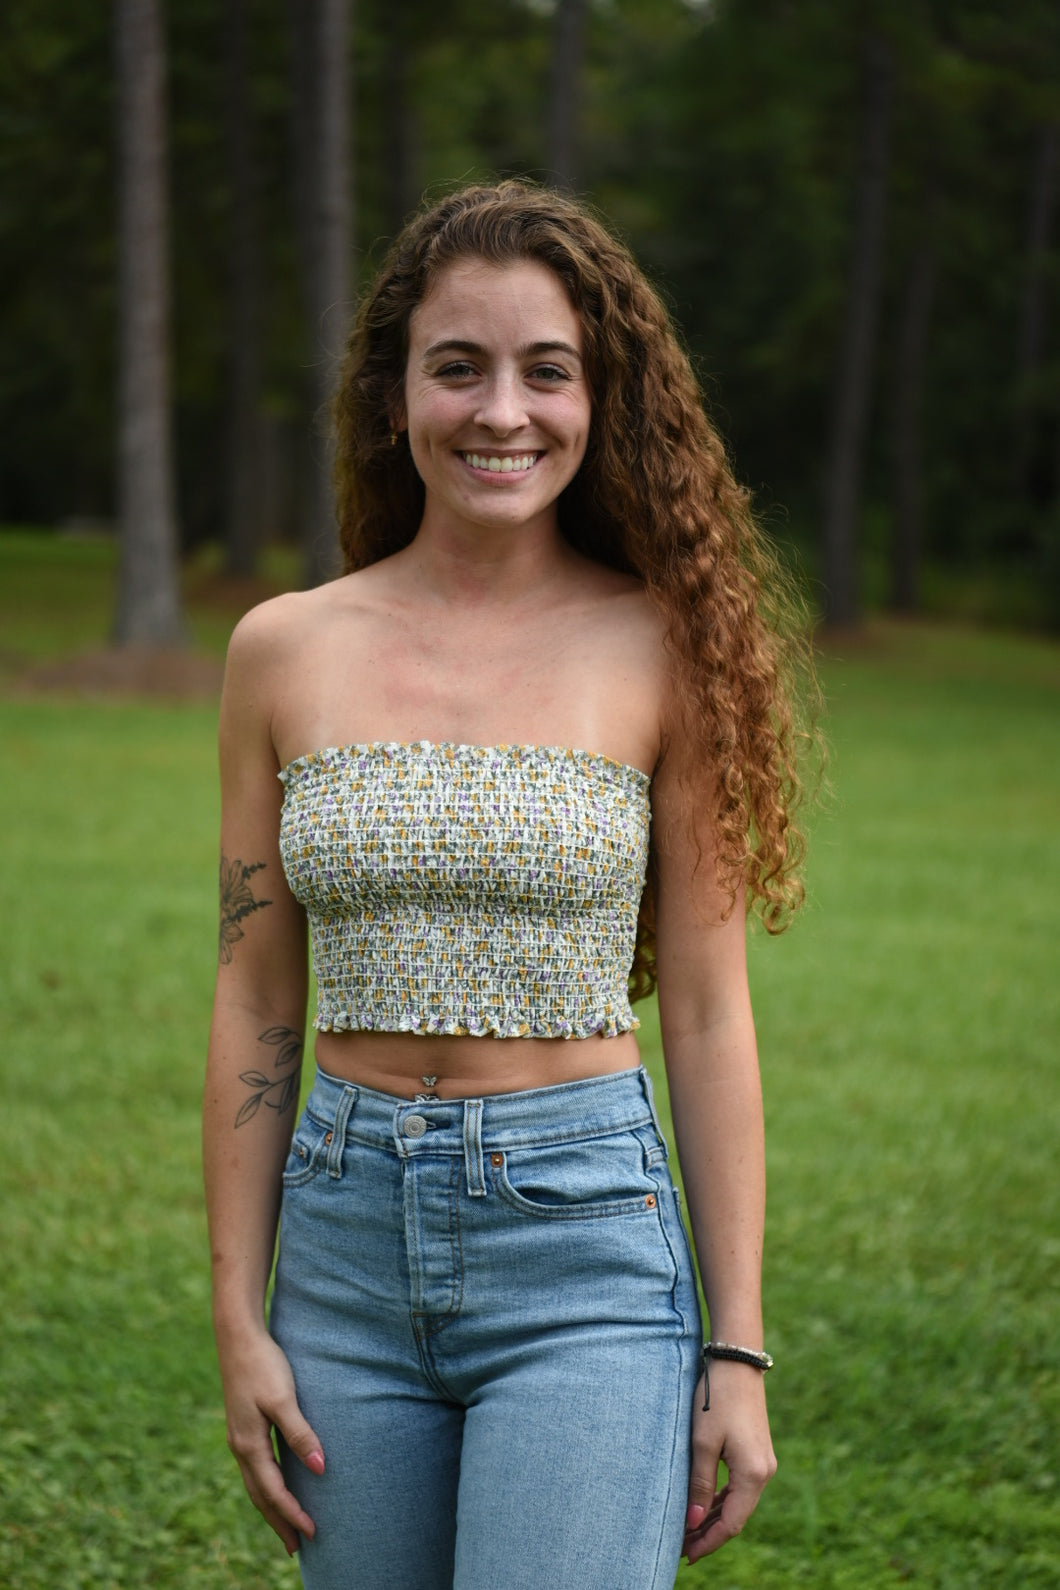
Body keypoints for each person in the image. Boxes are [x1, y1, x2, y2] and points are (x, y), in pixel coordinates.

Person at [203, 180, 809, 1590]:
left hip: (582, 1247)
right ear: (395, 392)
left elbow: (712, 1017)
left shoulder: (663, 647)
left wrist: (738, 1342)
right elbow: (253, 990)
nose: (501, 412)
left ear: (601, 398)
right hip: (341, 1252)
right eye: (457, 366)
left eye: (548, 370)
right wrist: (239, 1311)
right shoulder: (282, 650)